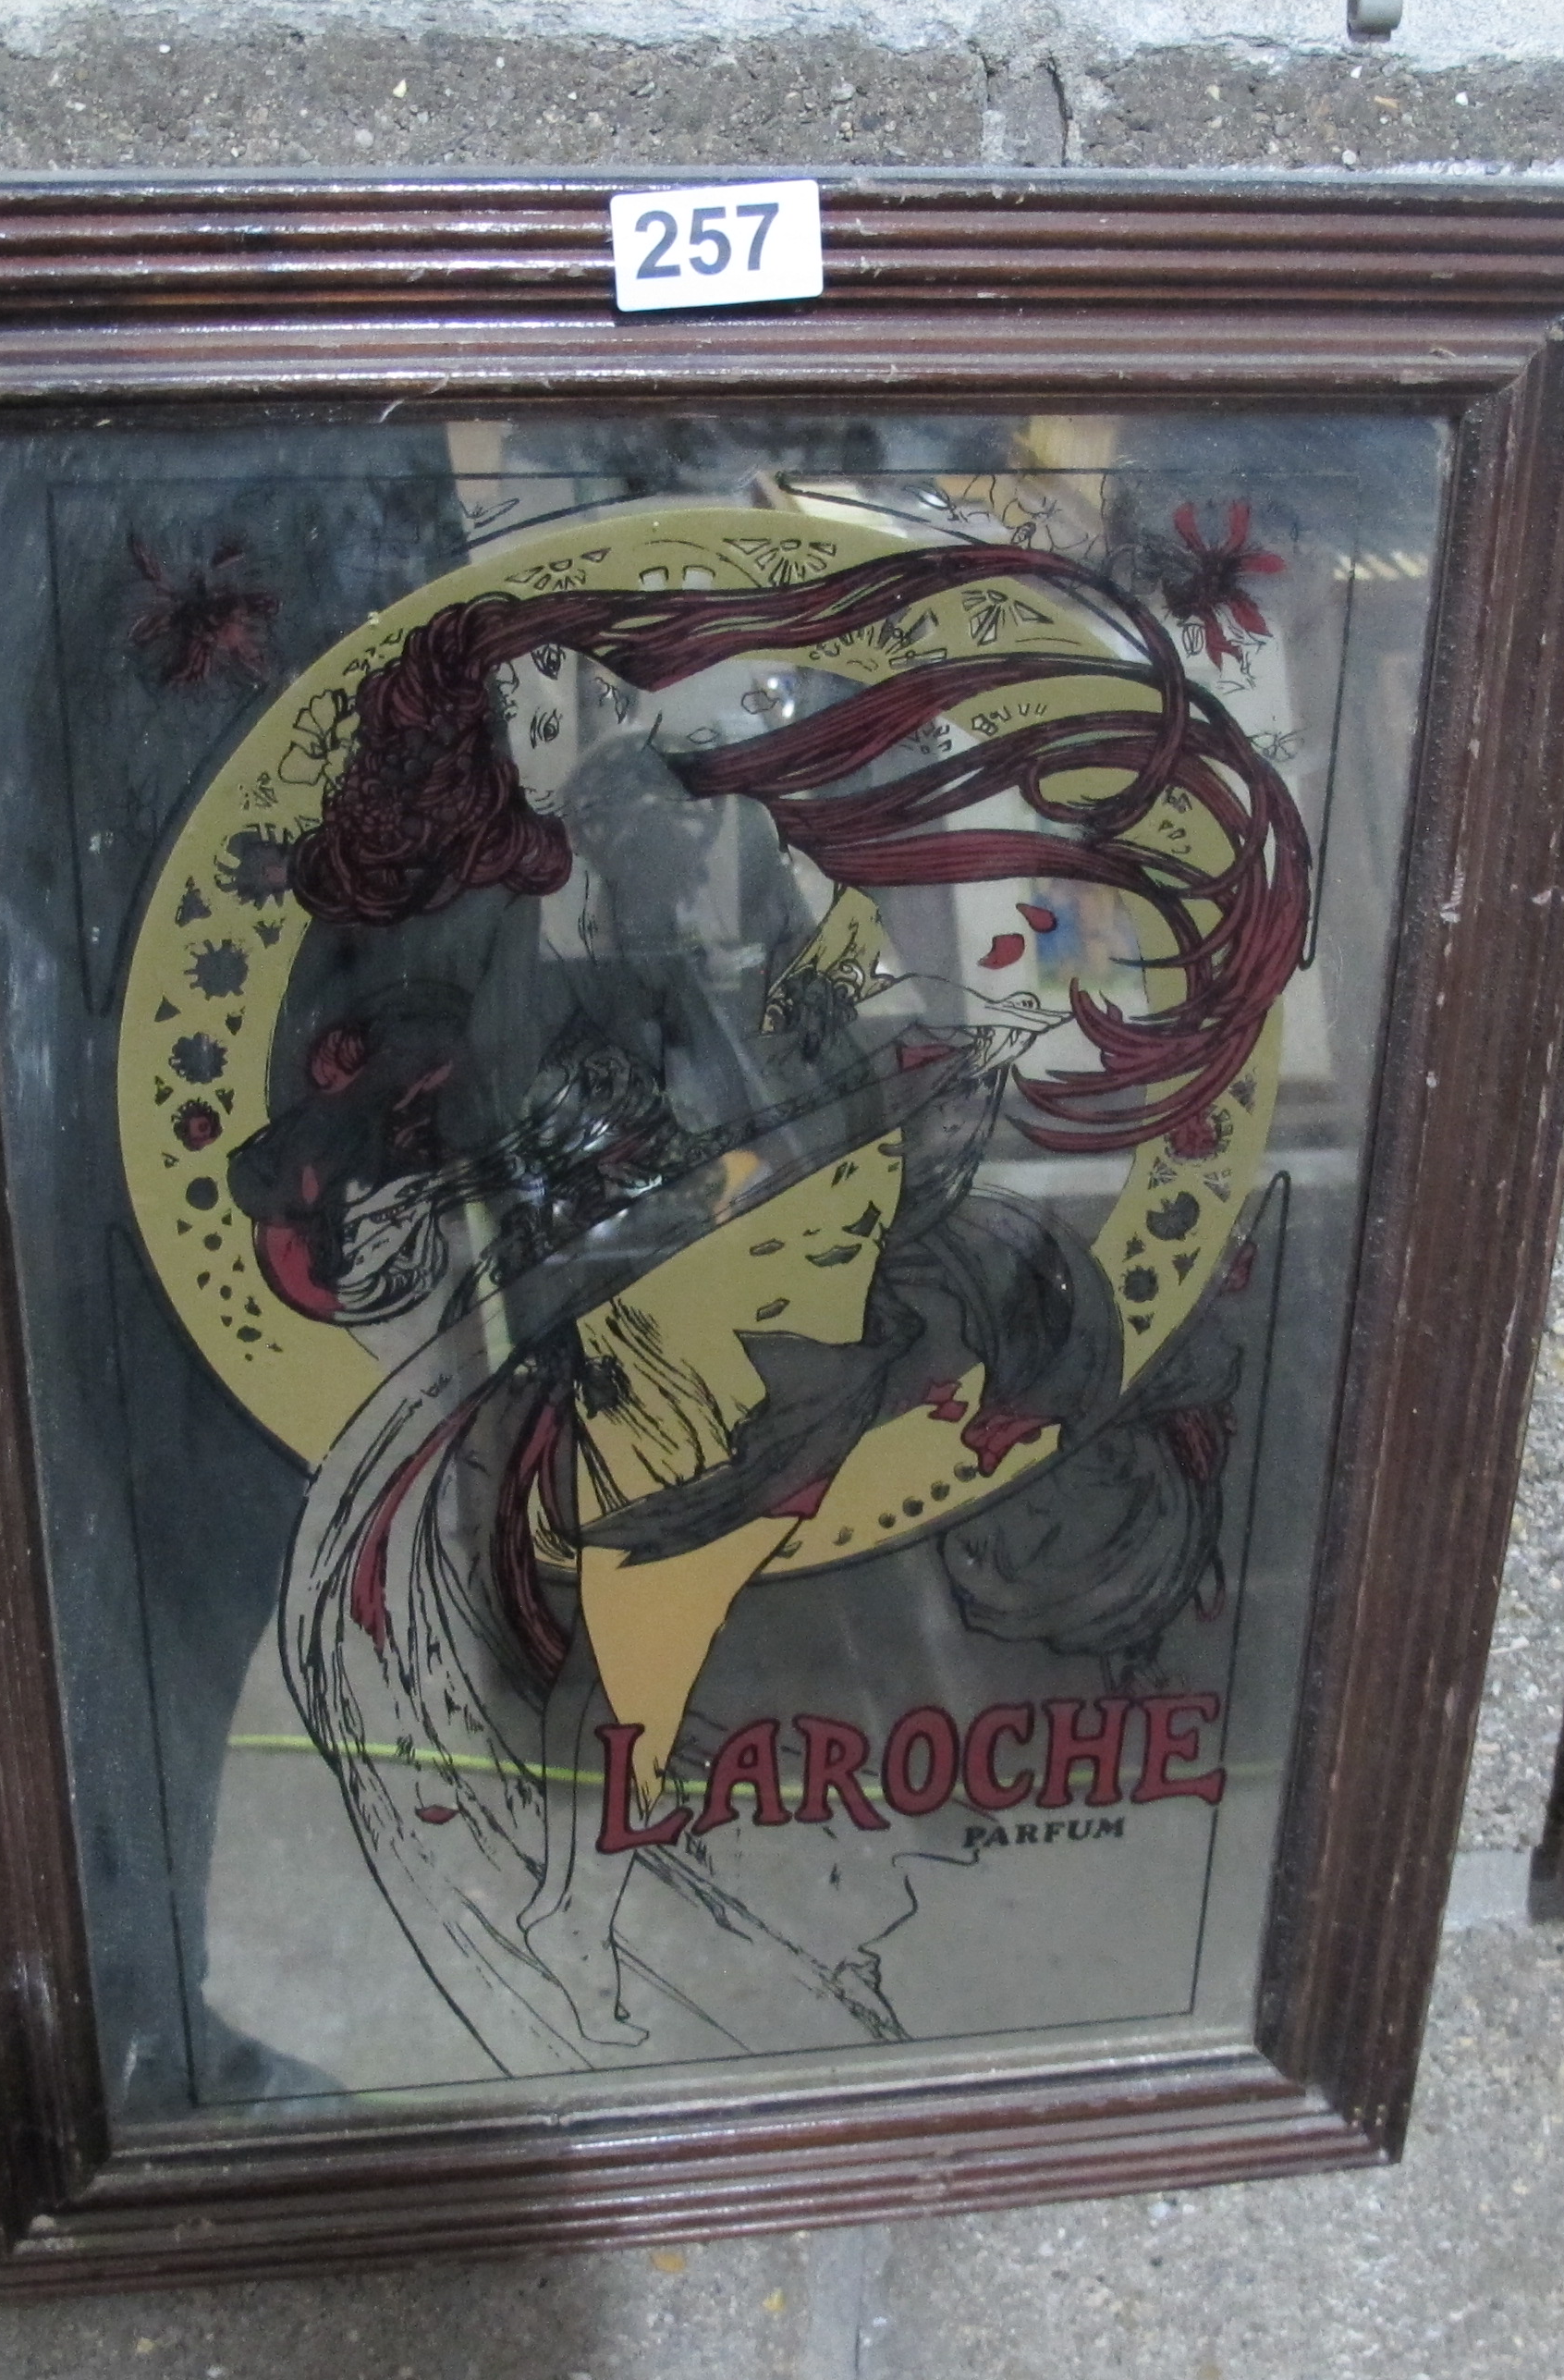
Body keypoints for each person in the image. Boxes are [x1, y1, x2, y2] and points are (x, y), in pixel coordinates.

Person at [224, 531, 1310, 2065]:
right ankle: (607, 1869)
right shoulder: (516, 989)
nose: (659, 857)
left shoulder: (730, 961)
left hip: (756, 1261)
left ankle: (626, 1858)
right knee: (668, 1575)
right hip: (656, 1301)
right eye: (635, 834)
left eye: (672, 835)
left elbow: (820, 1054)